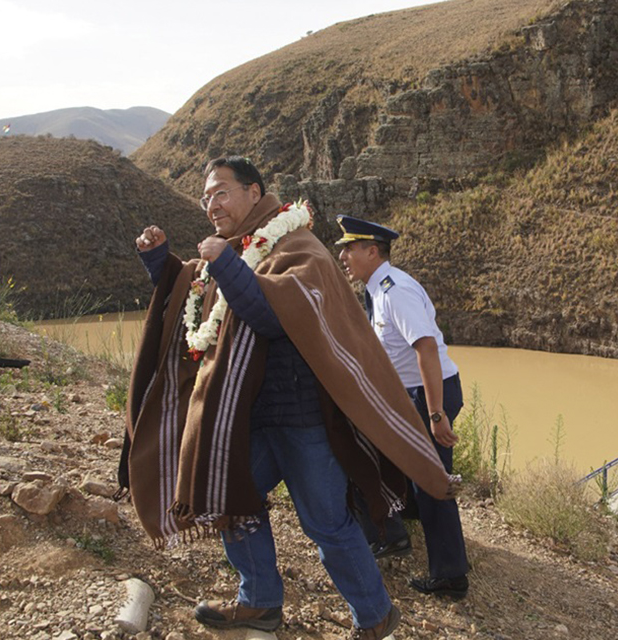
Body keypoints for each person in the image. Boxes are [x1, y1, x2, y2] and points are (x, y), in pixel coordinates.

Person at [120, 155, 455, 640]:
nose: (211, 204)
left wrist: (228, 264)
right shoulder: (235, 249)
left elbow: (272, 314)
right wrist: (159, 261)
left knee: (326, 525)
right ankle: (258, 603)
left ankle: (375, 615)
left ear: (255, 192)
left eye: (221, 192)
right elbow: (197, 293)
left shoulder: (299, 246)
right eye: (205, 197)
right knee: (233, 500)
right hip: (252, 418)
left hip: (304, 421)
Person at [335, 215, 470, 599]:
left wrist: (436, 413)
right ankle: (392, 533)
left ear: (372, 250)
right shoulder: (378, 289)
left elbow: (425, 348)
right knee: (370, 459)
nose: (343, 255)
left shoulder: (395, 291)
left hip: (429, 394)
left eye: (349, 248)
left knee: (432, 482)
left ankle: (450, 575)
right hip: (408, 394)